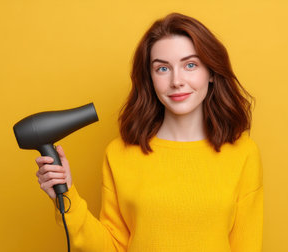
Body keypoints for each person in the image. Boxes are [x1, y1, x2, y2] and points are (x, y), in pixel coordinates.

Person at [35, 12, 263, 252]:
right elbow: (111, 247)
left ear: (212, 73)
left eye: (190, 65)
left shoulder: (243, 153)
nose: (177, 81)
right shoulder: (120, 153)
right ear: (150, 78)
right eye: (163, 68)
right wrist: (64, 195)